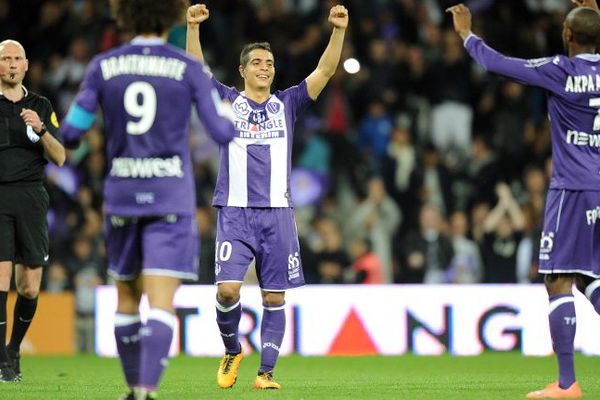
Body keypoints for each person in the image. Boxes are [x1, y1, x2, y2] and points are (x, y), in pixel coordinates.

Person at [60, 0, 235, 399]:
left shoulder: (104, 66)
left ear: (124, 15)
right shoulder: (187, 68)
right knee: (160, 301)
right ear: (171, 15)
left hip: (121, 196)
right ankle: (144, 390)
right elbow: (221, 131)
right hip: (169, 197)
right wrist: (225, 107)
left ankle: (131, 387)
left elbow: (72, 132)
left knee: (125, 297)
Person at [186, 3, 348, 390]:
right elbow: (196, 71)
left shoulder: (287, 102)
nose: (265, 67)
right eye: (257, 62)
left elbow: (325, 71)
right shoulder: (228, 100)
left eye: (270, 62)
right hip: (236, 212)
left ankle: (266, 374)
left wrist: (338, 31)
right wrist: (192, 28)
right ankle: (231, 349)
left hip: (278, 213)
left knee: (274, 297)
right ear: (242, 71)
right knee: (227, 289)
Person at [448, 2, 600, 398]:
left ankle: (567, 384)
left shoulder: (560, 70)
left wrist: (467, 35)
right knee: (591, 278)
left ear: (567, 35)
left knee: (557, 279)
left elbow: (500, 65)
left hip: (573, 189)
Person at [0, 39, 65, 382]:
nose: (11, 64)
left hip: (32, 198)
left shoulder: (40, 104)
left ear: (26, 66)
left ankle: (12, 350)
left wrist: (40, 129)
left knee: (29, 286)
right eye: (5, 59)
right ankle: (2, 362)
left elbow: (60, 156)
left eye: (17, 59)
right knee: (0, 279)